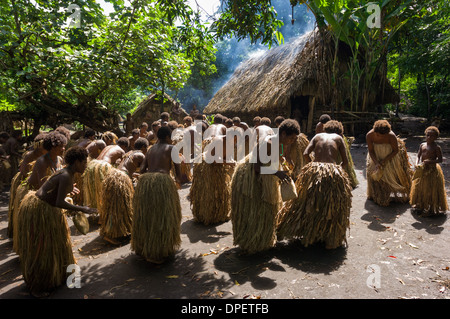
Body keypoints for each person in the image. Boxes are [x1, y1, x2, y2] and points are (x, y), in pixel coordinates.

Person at [15, 146, 96, 297]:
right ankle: (38, 287)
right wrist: (81, 208)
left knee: (52, 247)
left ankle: (55, 276)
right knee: (42, 249)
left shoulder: (68, 173)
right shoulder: (66, 175)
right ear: (76, 162)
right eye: (84, 163)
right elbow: (59, 202)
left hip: (45, 207)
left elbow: (57, 194)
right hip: (40, 211)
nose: (85, 166)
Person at [277, 120, 352, 249]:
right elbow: (345, 161)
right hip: (332, 170)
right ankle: (329, 238)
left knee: (306, 201)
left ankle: (304, 232)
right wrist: (338, 171)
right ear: (339, 131)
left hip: (315, 169)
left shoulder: (317, 136)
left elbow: (306, 154)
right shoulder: (339, 138)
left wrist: (312, 165)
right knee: (331, 204)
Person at [231, 119, 299, 254]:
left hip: (267, 177)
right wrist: (276, 172)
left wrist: (283, 166)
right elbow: (257, 168)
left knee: (266, 210)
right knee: (255, 210)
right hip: (252, 179)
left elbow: (276, 158)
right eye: (291, 138)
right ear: (283, 134)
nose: (292, 141)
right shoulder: (268, 143)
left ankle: (262, 241)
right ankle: (251, 242)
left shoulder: (280, 143)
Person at [132, 126, 183, 263]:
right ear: (167, 137)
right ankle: (159, 251)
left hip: (146, 183)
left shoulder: (150, 149)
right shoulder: (172, 148)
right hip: (162, 182)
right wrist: (177, 184)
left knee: (148, 216)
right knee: (163, 216)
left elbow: (142, 169)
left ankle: (145, 247)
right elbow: (178, 173)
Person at [366, 120, 412, 206]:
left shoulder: (391, 136)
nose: (377, 136)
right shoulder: (369, 135)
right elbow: (371, 151)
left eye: (381, 135)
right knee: (375, 175)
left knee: (391, 175)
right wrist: (376, 163)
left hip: (389, 156)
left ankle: (391, 194)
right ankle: (376, 194)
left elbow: (395, 151)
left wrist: (384, 161)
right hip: (376, 155)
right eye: (377, 134)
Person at [410, 126, 448, 216]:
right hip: (422, 169)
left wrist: (430, 161)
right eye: (428, 135)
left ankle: (431, 208)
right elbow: (418, 155)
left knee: (431, 189)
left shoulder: (436, 148)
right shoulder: (422, 145)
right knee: (420, 187)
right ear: (425, 135)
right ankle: (421, 205)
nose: (429, 137)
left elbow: (440, 160)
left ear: (436, 137)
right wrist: (417, 163)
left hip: (432, 171)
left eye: (432, 136)